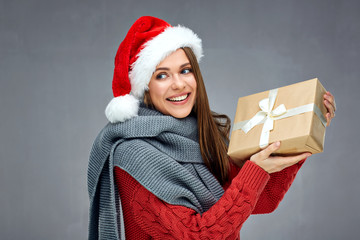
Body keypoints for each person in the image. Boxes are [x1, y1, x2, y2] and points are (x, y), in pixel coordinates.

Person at [87, 16, 336, 240]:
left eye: (185, 70)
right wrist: (255, 171)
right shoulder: (133, 154)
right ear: (144, 87)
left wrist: (307, 127)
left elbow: (261, 200)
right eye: (162, 75)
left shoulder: (204, 134)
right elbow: (197, 235)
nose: (178, 84)